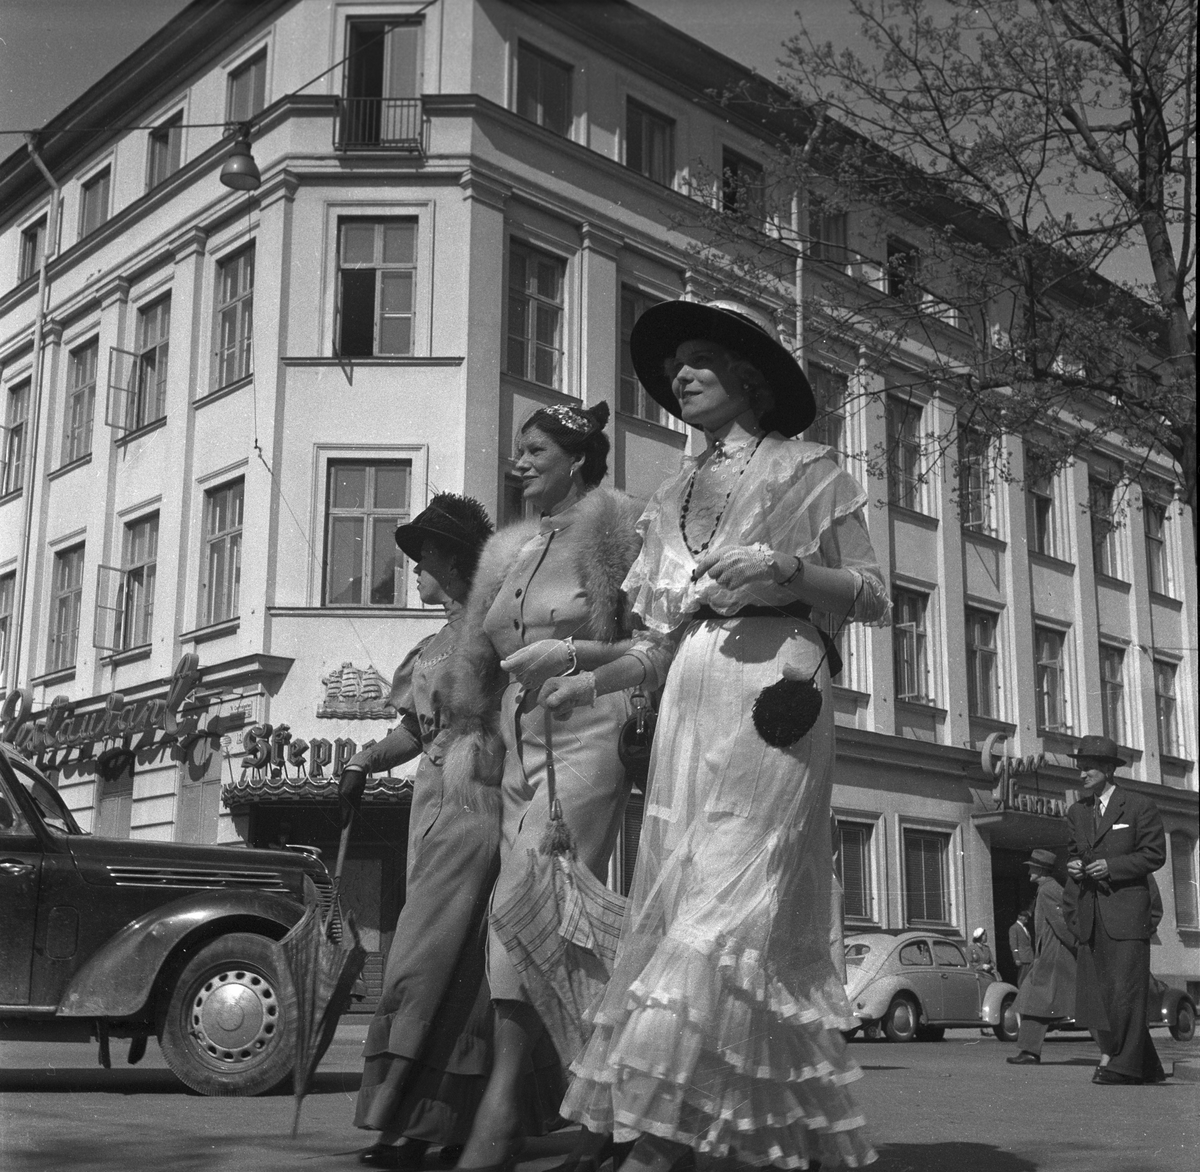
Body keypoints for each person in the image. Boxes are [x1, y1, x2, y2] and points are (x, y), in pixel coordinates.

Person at [541, 299, 888, 1172]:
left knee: (728, 902)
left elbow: (874, 593)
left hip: (776, 685)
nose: (681, 375)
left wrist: (787, 567)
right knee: (688, 896)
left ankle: (658, 1139)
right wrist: (585, 676)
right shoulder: (670, 496)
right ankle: (738, 1133)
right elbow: (658, 644)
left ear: (748, 376)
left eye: (699, 359)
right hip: (691, 696)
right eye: (674, 368)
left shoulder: (810, 470)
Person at [444, 401, 643, 1172]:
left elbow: (656, 644)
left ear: (577, 458)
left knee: (523, 906)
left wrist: (573, 657)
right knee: (562, 926)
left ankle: (501, 1106)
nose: (518, 462)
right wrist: (473, 726)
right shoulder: (512, 548)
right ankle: (613, 1103)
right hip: (518, 748)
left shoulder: (619, 533)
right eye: (518, 450)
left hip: (589, 733)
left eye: (535, 450)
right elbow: (480, 654)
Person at [339, 494, 505, 1168]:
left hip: (474, 803)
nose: (413, 568)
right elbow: (413, 729)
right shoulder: (433, 645)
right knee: (450, 965)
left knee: (424, 960)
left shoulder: (495, 631)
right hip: (432, 805)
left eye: (424, 555)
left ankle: (419, 1122)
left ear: (455, 561)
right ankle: (433, 1123)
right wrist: (361, 761)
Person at [1062, 735, 1167, 1086]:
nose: (1082, 774)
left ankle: (1123, 1066)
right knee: (1106, 994)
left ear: (1108, 769)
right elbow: (1075, 852)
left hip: (1127, 915)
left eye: (1089, 768)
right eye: (1080, 768)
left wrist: (1111, 867)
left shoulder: (1139, 806)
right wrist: (1074, 866)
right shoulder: (1077, 812)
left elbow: (1154, 854)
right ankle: (1145, 1065)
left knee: (1127, 992)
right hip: (1092, 915)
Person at [1006, 850, 1076, 1066]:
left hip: (1053, 957)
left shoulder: (1048, 890)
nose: (1029, 871)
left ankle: (1115, 1052)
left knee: (1036, 1000)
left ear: (1041, 870)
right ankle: (1029, 1051)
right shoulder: (1047, 889)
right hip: (1052, 955)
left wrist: (1077, 947)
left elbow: (1063, 924)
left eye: (1032, 867)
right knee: (1037, 1002)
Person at [1008, 910, 1035, 986]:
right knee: (1022, 979)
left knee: (1029, 979)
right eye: (1024, 916)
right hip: (1022, 958)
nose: (1026, 918)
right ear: (1019, 917)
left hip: (1029, 957)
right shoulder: (1014, 928)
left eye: (1027, 916)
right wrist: (1016, 958)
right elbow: (1013, 945)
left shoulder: (1024, 928)